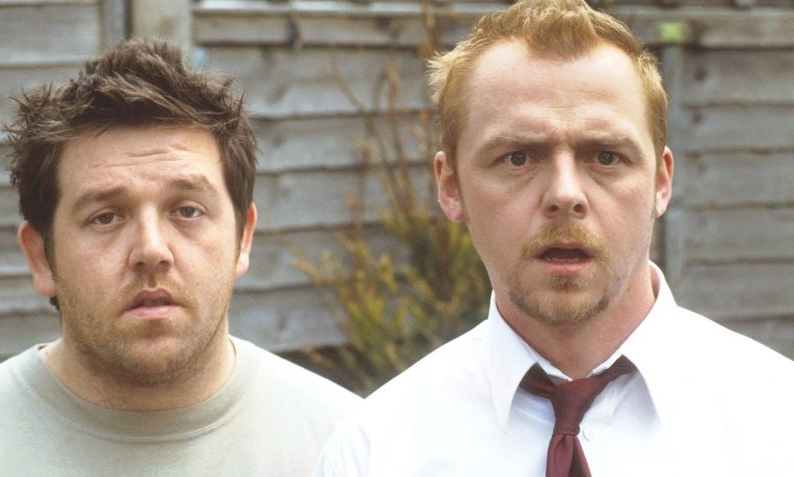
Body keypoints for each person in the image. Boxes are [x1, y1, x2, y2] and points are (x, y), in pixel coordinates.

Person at [314, 1, 794, 476]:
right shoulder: (374, 453)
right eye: (518, 158)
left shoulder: (777, 424)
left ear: (661, 182)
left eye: (605, 156)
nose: (565, 195)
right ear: (451, 187)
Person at [0, 38, 359, 475]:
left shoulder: (350, 448)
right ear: (41, 257)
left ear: (243, 238)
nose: (151, 250)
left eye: (187, 211)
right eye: (106, 217)